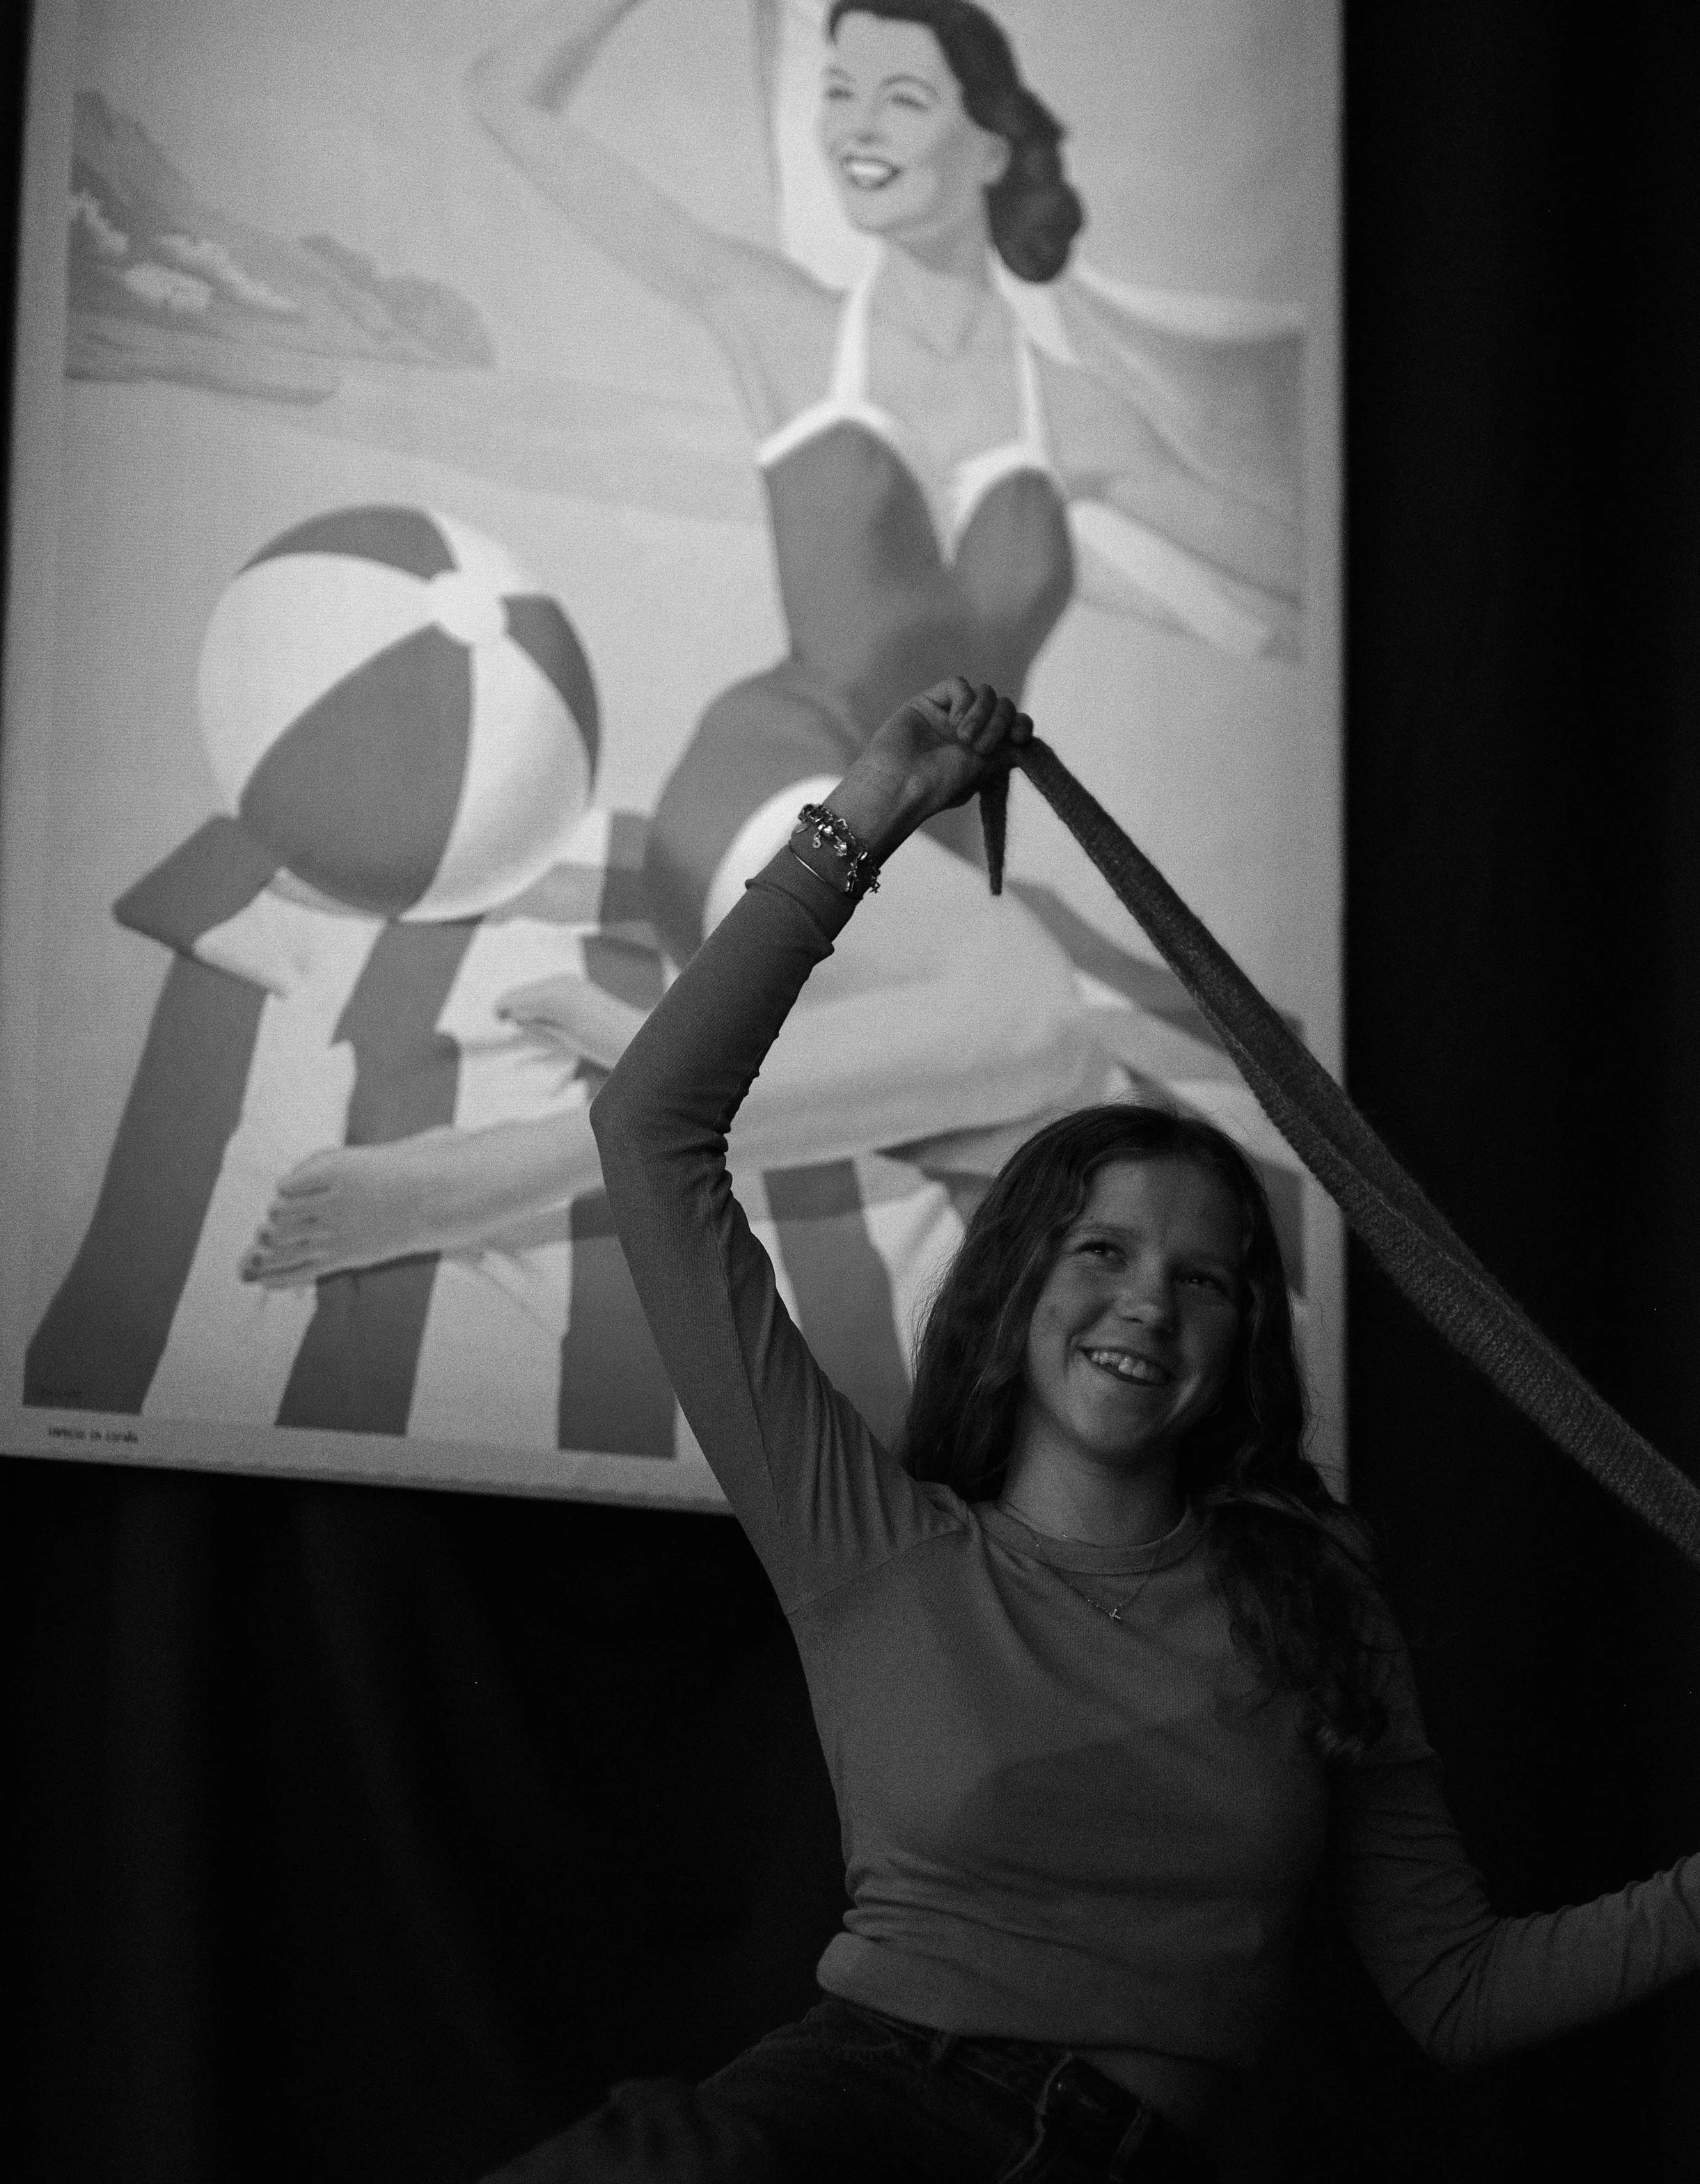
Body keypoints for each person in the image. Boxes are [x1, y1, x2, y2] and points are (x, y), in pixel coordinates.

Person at [6, 677, 1700, 2184]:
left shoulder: (1313, 1602)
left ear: (1244, 1338)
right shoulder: (871, 1532)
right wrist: (866, 814)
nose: (1148, 1303)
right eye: (1101, 1248)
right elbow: (655, 1135)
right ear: (1018, 1282)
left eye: (1208, 1278)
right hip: (853, 2117)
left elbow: (1456, 1987)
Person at [235, 0, 1289, 1305]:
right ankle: (511, 1165)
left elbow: (1298, 566)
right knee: (1035, 1020)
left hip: (926, 888)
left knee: (1058, 1101)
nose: (855, 124)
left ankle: (664, 1049)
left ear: (994, 145)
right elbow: (505, 97)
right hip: (775, 796)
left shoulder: (1074, 410)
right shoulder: (777, 317)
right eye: (838, 91)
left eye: (902, 97)